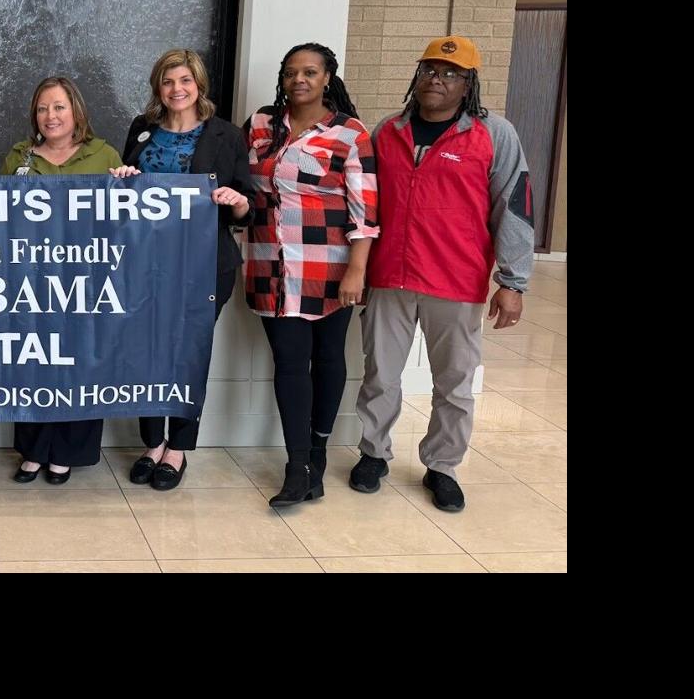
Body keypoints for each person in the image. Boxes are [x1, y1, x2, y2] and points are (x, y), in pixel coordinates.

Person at [350, 35, 534, 513]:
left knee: (454, 381)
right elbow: (364, 205)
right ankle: (373, 453)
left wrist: (513, 282)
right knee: (380, 374)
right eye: (430, 69)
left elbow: (513, 208)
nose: (437, 78)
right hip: (389, 275)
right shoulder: (387, 131)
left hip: (455, 279)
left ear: (469, 84)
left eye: (451, 73)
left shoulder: (494, 135)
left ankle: (443, 466)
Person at [109, 48, 254, 491]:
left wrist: (235, 201)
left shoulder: (226, 136)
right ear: (158, 86)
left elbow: (247, 206)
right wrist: (120, 179)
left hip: (204, 265)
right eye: (168, 82)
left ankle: (179, 448)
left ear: (199, 86)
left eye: (185, 81)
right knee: (148, 349)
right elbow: (125, 196)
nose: (177, 90)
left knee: (186, 352)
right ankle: (152, 442)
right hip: (144, 263)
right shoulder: (142, 130)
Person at [241, 43, 379, 508]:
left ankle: (317, 450)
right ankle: (298, 465)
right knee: (290, 362)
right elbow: (240, 185)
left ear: (326, 78)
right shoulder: (261, 125)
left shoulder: (349, 133)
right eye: (291, 72)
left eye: (310, 72)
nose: (299, 79)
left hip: (331, 268)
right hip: (270, 266)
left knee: (328, 358)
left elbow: (365, 210)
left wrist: (357, 269)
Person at [0, 76, 122, 485]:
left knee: (79, 364)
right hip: (29, 281)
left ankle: (66, 453)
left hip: (85, 283)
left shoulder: (103, 154)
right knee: (33, 362)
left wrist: (129, 184)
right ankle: (34, 450)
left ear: (76, 112)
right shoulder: (19, 156)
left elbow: (121, 219)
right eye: (42, 109)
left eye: (58, 107)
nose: (50, 116)